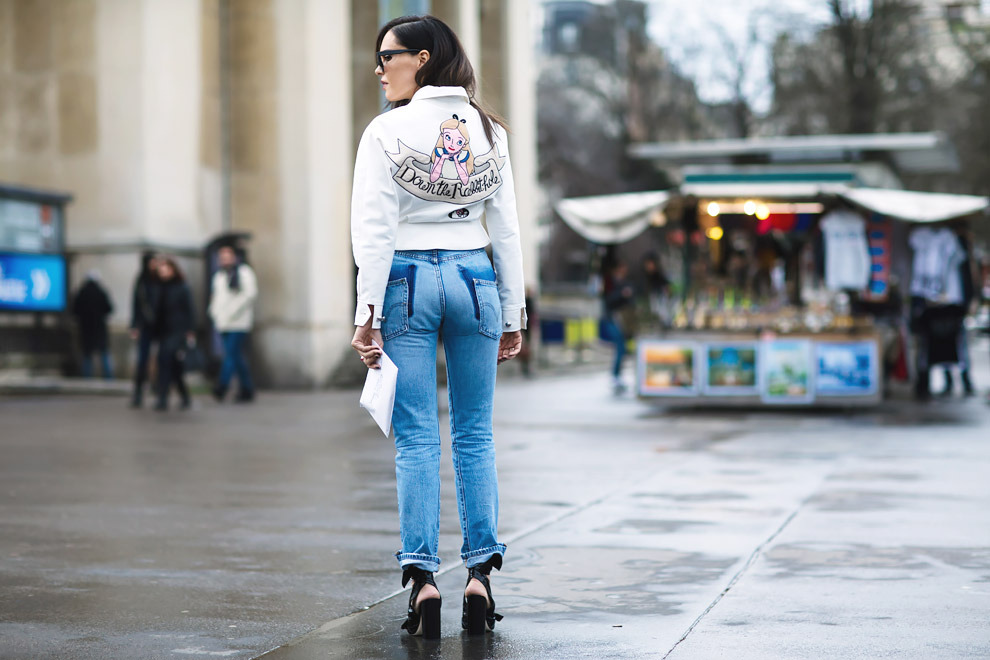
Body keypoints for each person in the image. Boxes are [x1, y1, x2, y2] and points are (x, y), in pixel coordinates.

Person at [349, 15, 525, 640]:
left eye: (387, 56)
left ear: (421, 59)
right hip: (475, 278)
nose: (379, 67)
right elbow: (505, 227)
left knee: (417, 438)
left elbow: (372, 230)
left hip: (407, 280)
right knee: (475, 433)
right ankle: (480, 575)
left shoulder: (385, 132)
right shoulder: (488, 131)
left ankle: (423, 581)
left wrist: (366, 313)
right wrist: (514, 310)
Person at [209, 246, 258, 403]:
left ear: (234, 257)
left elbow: (249, 295)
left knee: (230, 354)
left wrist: (232, 312)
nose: (224, 260)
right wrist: (213, 313)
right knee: (236, 357)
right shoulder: (219, 276)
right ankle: (247, 388)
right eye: (221, 257)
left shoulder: (244, 272)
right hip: (223, 322)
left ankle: (222, 386)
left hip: (239, 323)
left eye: (227, 256)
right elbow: (216, 297)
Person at [153, 257, 196, 411]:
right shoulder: (159, 287)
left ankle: (162, 398)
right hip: (164, 332)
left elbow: (189, 311)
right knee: (174, 367)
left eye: (166, 268)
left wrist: (190, 332)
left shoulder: (181, 287)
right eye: (161, 269)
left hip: (178, 331)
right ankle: (184, 396)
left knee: (166, 363)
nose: (163, 272)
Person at [129, 252, 160, 407]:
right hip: (145, 326)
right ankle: (138, 393)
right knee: (142, 360)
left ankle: (159, 389)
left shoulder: (160, 279)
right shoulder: (141, 281)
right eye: (152, 261)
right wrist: (134, 326)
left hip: (161, 326)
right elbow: (136, 304)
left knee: (163, 359)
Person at [72, 270, 114, 379]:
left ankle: (87, 378)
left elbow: (75, 310)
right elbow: (109, 308)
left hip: (85, 328)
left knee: (87, 355)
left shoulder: (82, 292)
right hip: (100, 327)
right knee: (104, 353)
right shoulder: (101, 292)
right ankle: (108, 377)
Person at [602, 261, 636, 393]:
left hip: (622, 320)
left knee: (622, 348)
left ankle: (617, 375)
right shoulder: (610, 283)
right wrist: (621, 294)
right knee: (620, 347)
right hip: (612, 319)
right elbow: (608, 300)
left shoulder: (625, 283)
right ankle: (615, 376)